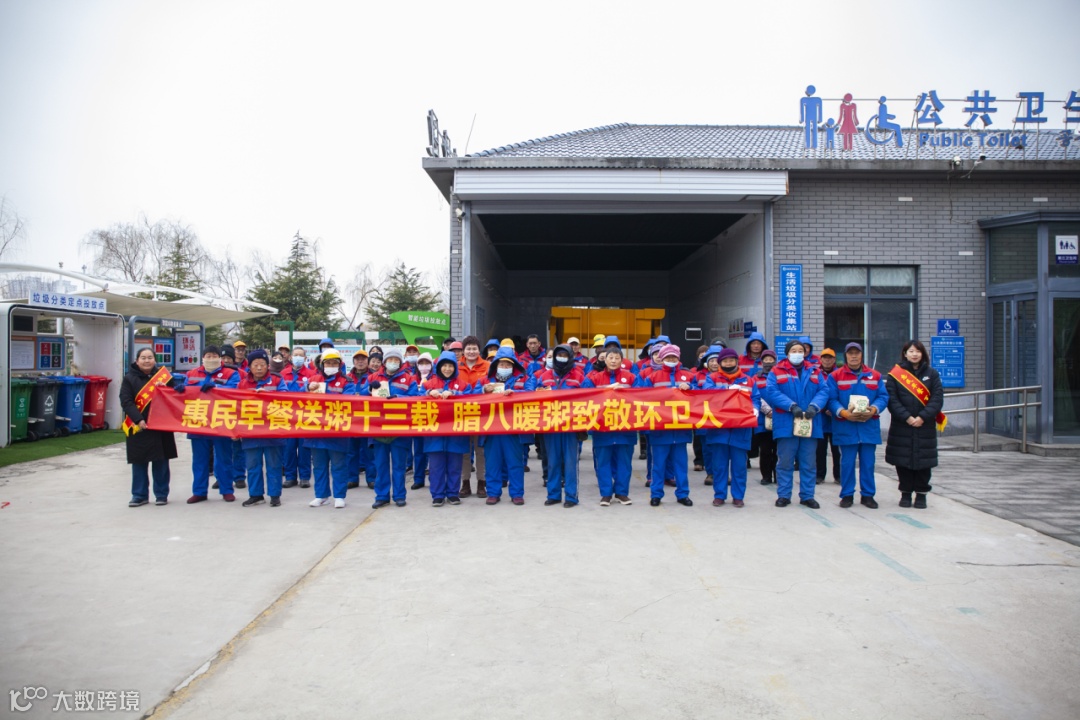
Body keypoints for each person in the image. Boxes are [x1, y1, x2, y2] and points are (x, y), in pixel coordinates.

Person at [765, 339, 829, 509]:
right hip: (786, 422)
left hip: (809, 422)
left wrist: (814, 406)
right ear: (787, 353)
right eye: (794, 351)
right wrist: (791, 406)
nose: (797, 353)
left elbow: (824, 390)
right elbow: (772, 391)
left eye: (800, 350)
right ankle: (784, 495)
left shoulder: (815, 370)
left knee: (808, 462)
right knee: (785, 462)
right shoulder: (777, 371)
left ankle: (807, 496)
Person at [826, 343, 889, 509]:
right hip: (845, 427)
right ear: (845, 355)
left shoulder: (874, 375)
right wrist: (843, 413)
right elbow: (831, 399)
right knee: (847, 463)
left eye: (857, 353)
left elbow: (883, 397)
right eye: (850, 353)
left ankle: (868, 495)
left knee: (868, 463)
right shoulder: (835, 376)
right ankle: (847, 495)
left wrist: (873, 409)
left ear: (862, 355)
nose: (854, 356)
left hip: (868, 426)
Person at [885, 340, 944, 509]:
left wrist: (923, 417)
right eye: (911, 351)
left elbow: (937, 398)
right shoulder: (895, 374)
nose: (914, 354)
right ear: (905, 354)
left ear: (922, 353)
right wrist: (907, 417)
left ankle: (921, 494)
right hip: (902, 425)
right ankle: (905, 493)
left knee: (924, 462)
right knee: (903, 461)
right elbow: (892, 400)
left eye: (917, 351)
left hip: (925, 425)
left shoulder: (932, 374)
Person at [181, 345, 240, 504]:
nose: (211, 359)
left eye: (214, 356)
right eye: (208, 356)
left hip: (221, 421)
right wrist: (179, 390)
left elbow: (235, 389)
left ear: (219, 358)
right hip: (199, 421)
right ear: (203, 358)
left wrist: (217, 387)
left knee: (224, 459)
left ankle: (227, 490)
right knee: (199, 460)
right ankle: (199, 492)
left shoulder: (230, 373)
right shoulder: (192, 374)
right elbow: (186, 391)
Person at [583, 337, 638, 506]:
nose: (613, 361)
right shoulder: (594, 378)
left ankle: (622, 493)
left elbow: (641, 396)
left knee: (624, 463)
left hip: (625, 428)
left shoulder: (631, 378)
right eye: (610, 358)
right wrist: (606, 390)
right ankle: (606, 494)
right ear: (604, 360)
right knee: (603, 463)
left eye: (617, 358)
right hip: (602, 428)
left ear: (622, 361)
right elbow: (585, 396)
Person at [121, 347, 179, 507]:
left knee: (161, 461)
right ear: (137, 360)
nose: (147, 361)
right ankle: (139, 495)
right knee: (139, 462)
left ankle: (161, 494)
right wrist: (138, 419)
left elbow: (175, 397)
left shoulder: (164, 377)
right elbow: (126, 401)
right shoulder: (129, 378)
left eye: (150, 357)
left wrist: (165, 388)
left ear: (154, 360)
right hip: (138, 426)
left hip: (160, 425)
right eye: (143, 358)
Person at [640, 344, 696, 507]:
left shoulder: (688, 376)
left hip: (681, 429)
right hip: (660, 429)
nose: (671, 359)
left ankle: (683, 494)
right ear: (662, 358)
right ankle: (656, 494)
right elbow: (644, 397)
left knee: (681, 466)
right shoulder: (653, 377)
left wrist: (690, 387)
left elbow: (700, 394)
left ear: (678, 358)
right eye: (668, 357)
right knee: (658, 465)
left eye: (674, 357)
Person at [362, 348, 418, 508]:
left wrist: (398, 398)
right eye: (390, 360)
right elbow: (359, 398)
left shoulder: (409, 378)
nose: (393, 362)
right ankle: (382, 496)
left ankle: (399, 495)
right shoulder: (373, 377)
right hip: (378, 428)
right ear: (384, 362)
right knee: (381, 465)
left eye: (396, 360)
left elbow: (416, 398)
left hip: (400, 428)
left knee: (399, 466)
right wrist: (369, 389)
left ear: (400, 362)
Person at [530, 343, 586, 507]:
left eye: (565, 355)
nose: (562, 358)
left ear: (570, 357)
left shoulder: (579, 377)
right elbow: (533, 395)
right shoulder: (544, 376)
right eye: (559, 355)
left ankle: (571, 497)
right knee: (552, 461)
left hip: (571, 426)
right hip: (551, 425)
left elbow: (588, 397)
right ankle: (553, 494)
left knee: (570, 462)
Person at [232, 349, 286, 506]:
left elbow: (286, 398)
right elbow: (235, 407)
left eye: (262, 364)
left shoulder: (277, 380)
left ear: (268, 365)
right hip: (251, 431)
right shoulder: (243, 383)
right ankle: (256, 495)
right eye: (256, 365)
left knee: (274, 465)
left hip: (273, 430)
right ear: (249, 366)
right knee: (253, 465)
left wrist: (268, 396)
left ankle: (275, 495)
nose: (260, 368)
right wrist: (234, 429)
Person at [481, 347, 534, 505]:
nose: (504, 367)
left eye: (508, 364)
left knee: (515, 463)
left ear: (514, 365)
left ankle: (517, 493)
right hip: (492, 428)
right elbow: (472, 396)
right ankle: (493, 493)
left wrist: (514, 394)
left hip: (514, 428)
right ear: (496, 365)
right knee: (492, 463)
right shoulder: (485, 380)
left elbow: (532, 394)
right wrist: (484, 391)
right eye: (501, 364)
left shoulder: (523, 379)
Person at [702, 348, 754, 507]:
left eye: (731, 360)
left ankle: (738, 496)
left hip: (741, 429)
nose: (729, 363)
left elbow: (756, 397)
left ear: (737, 362)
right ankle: (719, 495)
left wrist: (756, 409)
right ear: (720, 363)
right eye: (725, 361)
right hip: (719, 430)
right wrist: (727, 390)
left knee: (739, 467)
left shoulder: (747, 380)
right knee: (719, 466)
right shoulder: (712, 378)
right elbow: (706, 393)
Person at [423, 351, 475, 506]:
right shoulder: (429, 384)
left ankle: (453, 494)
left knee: (455, 466)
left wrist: (454, 393)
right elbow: (416, 397)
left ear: (455, 367)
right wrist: (428, 393)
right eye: (444, 365)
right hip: (435, 432)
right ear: (438, 367)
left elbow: (471, 399)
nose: (447, 369)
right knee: (436, 467)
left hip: (456, 432)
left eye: (450, 366)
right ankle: (437, 495)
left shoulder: (464, 385)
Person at [456, 336, 490, 498]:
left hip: (482, 415)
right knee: (464, 451)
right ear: (463, 351)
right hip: (461, 415)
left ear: (479, 350)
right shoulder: (455, 366)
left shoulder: (487, 366)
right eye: (468, 348)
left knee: (480, 450)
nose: (471, 351)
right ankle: (465, 483)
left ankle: (482, 483)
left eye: (474, 348)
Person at [284, 345, 315, 489]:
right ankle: (290, 477)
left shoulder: (311, 374)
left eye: (300, 355)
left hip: (305, 415)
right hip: (288, 416)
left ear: (305, 358)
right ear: (291, 357)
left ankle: (304, 477)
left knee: (304, 448)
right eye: (295, 355)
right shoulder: (283, 374)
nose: (298, 358)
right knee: (288, 448)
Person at [218, 344, 247, 490]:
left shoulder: (242, 373)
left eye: (228, 357)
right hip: (219, 415)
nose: (226, 360)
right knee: (221, 450)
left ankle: (239, 476)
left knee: (238, 448)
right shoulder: (216, 373)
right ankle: (222, 477)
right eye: (223, 357)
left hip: (237, 414)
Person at [752, 350, 779, 485]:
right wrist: (766, 410)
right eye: (766, 360)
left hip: (780, 418)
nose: (768, 362)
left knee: (778, 451)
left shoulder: (780, 376)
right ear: (761, 362)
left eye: (771, 359)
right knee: (765, 450)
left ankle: (778, 476)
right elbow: (754, 395)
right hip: (762, 421)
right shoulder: (755, 378)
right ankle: (766, 476)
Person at [815, 348, 842, 485]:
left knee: (837, 450)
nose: (827, 360)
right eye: (825, 357)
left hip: (837, 419)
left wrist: (835, 409)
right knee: (820, 450)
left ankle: (839, 476)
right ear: (820, 359)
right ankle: (819, 475)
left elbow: (842, 394)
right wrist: (824, 408)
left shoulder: (840, 374)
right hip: (820, 418)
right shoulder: (815, 374)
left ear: (834, 359)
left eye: (830, 358)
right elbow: (815, 393)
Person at [410, 353, 434, 489]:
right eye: (421, 363)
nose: (424, 366)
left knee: (432, 451)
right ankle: (418, 479)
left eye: (427, 363)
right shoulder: (412, 378)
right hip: (417, 417)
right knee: (418, 451)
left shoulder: (435, 378)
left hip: (432, 418)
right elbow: (411, 395)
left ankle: (433, 479)